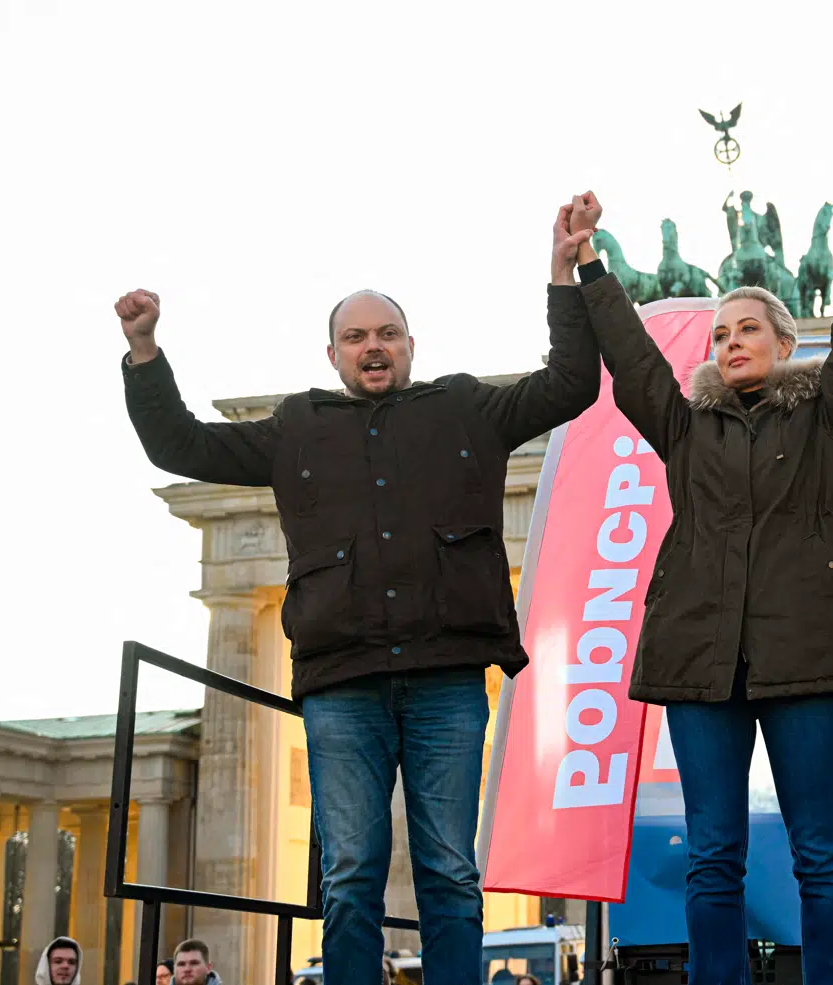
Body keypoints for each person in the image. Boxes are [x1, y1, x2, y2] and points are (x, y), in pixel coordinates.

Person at [118, 199, 603, 985]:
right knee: (349, 873)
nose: (372, 346)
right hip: (342, 684)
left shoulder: (465, 408)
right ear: (333, 353)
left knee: (450, 869)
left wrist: (563, 276)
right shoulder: (296, 429)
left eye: (387, 334)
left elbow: (572, 383)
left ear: (411, 346)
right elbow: (181, 443)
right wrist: (144, 351)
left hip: (446, 678)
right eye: (356, 336)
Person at [581, 179, 833, 985]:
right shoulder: (685, 424)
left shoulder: (829, 416)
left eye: (748, 327)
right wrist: (590, 267)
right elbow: (633, 361)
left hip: (807, 654)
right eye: (720, 332)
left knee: (820, 851)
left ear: (785, 342)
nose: (731, 341)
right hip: (699, 654)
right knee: (712, 853)